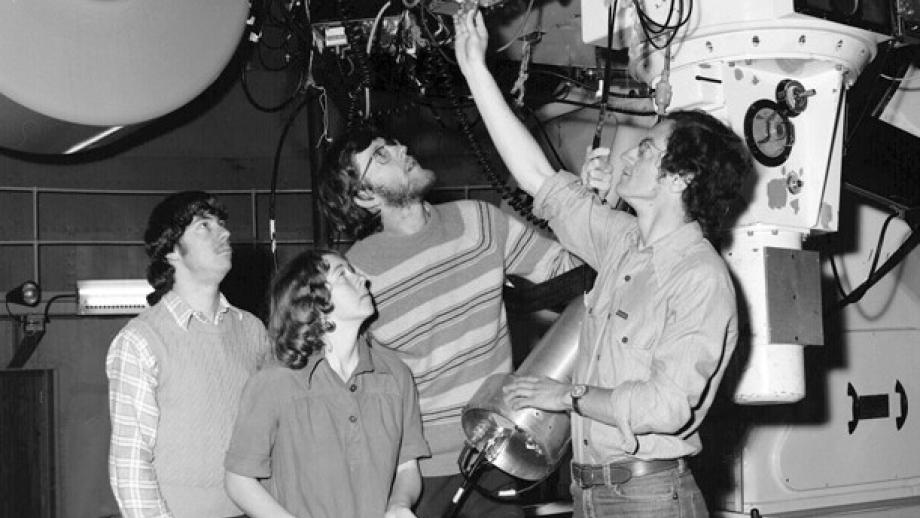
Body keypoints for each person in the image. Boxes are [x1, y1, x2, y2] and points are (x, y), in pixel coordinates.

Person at [454, 9, 753, 517]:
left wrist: (567, 396)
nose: (628, 155)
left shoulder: (699, 277)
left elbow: (665, 406)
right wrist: (475, 72)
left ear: (679, 178)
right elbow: (537, 177)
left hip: (649, 497)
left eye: (647, 150)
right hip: (590, 492)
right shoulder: (622, 243)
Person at [317, 126, 582, 517]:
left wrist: (591, 204)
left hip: (495, 453)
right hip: (413, 474)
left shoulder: (479, 222)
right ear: (365, 196)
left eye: (393, 142)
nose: (401, 147)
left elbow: (571, 272)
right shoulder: (357, 274)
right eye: (381, 155)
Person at [224, 250, 430, 518]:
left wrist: (399, 505)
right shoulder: (275, 381)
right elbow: (238, 481)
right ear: (312, 301)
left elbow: (407, 467)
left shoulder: (395, 373)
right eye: (343, 274)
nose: (363, 280)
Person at [106, 190, 272, 518]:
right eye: (204, 226)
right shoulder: (140, 340)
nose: (224, 233)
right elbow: (130, 462)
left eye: (221, 224)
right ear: (171, 251)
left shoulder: (252, 330)